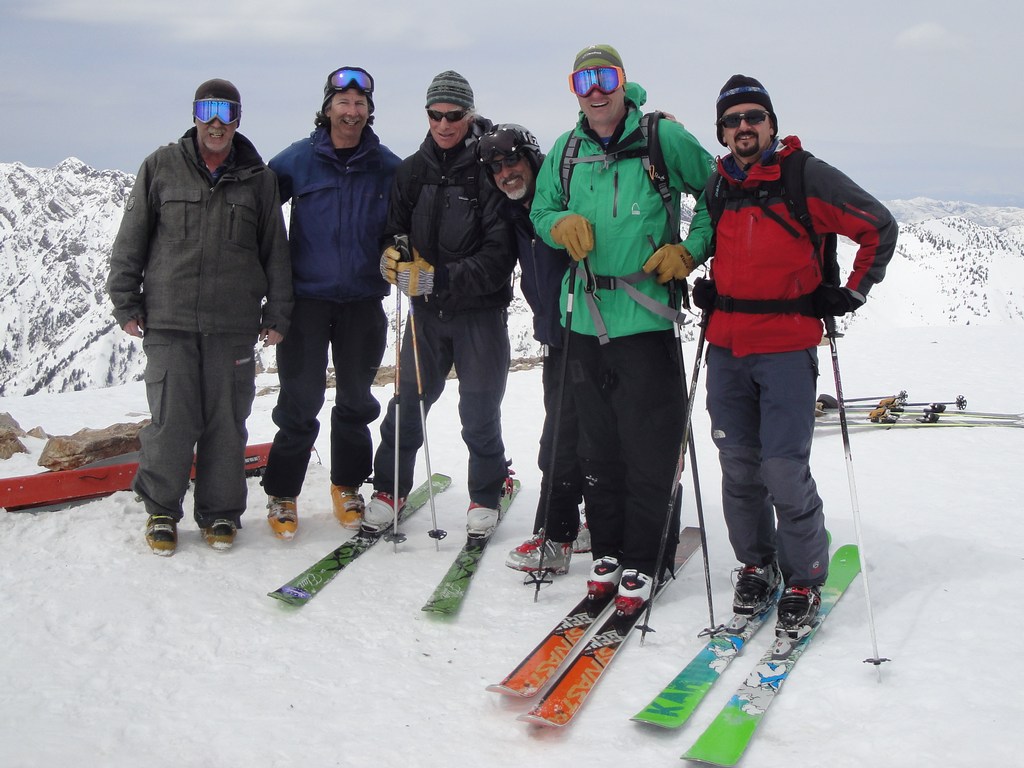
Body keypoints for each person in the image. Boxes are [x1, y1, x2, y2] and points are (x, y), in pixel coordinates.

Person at [691, 75, 897, 638]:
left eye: (754, 116)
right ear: (722, 130)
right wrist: (706, 287)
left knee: (782, 466)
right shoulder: (718, 184)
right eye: (732, 120)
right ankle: (757, 565)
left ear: (772, 124)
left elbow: (879, 224)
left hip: (786, 348)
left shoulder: (806, 176)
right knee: (738, 463)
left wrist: (852, 290)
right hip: (727, 347)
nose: (743, 127)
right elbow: (710, 244)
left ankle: (803, 575)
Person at [530, 45, 715, 615]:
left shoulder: (662, 139)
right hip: (583, 317)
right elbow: (539, 212)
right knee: (596, 444)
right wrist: (558, 223)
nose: (595, 90)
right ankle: (608, 550)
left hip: (647, 318)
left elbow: (717, 194)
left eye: (604, 77)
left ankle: (647, 555)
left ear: (623, 82)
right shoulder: (566, 150)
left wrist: (690, 250)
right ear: (574, 89)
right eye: (583, 80)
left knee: (650, 444)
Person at [107, 78, 292, 556]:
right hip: (168, 320)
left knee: (227, 423)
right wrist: (125, 301)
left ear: (237, 119)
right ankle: (162, 512)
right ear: (193, 115)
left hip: (233, 325)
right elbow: (132, 238)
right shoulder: (161, 166)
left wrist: (278, 311)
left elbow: (275, 252)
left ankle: (221, 514)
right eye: (207, 110)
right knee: (170, 421)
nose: (216, 122)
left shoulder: (259, 178)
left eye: (226, 112)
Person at [364, 71, 516, 539]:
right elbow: (393, 230)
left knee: (479, 409)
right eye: (436, 114)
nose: (444, 123)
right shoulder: (412, 171)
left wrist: (437, 275)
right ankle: (390, 489)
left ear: (469, 114)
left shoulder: (489, 167)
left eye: (454, 114)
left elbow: (498, 256)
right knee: (407, 404)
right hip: (426, 314)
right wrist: (393, 255)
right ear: (426, 114)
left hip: (480, 313)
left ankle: (486, 493)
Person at [260, 67, 401, 539]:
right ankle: (283, 492)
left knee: (357, 402)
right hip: (306, 302)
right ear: (327, 108)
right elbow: (256, 207)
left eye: (360, 103)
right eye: (343, 101)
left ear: (369, 111)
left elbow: (407, 222)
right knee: (299, 402)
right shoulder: (298, 160)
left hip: (363, 299)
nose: (352, 110)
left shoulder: (386, 165)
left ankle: (347, 485)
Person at [475, 123, 590, 576]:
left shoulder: (563, 195)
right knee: (561, 438)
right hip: (557, 337)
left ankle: (558, 535)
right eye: (496, 167)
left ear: (533, 158)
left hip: (592, 333)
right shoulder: (514, 213)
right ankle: (569, 529)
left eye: (513, 161)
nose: (506, 173)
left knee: (572, 440)